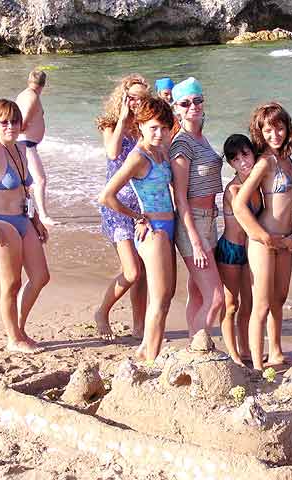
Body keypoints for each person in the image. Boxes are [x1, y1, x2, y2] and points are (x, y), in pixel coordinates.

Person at [99, 97, 176, 361]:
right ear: (140, 126)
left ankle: (146, 348)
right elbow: (106, 196)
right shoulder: (138, 157)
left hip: (169, 225)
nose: (159, 133)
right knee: (160, 299)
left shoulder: (160, 150)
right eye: (153, 127)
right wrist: (137, 217)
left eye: (164, 128)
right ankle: (149, 358)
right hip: (154, 230)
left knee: (166, 297)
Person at [0, 99, 50, 354]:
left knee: (41, 277)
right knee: (12, 284)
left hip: (24, 220)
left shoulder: (19, 148)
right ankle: (14, 339)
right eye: (4, 122)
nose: (10, 126)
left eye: (14, 121)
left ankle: (19, 328)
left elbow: (26, 190)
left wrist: (36, 220)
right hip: (2, 223)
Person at [233, 102, 292, 371]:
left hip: (286, 239)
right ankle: (258, 367)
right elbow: (239, 204)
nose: (275, 135)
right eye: (268, 130)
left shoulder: (287, 158)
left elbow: (291, 201)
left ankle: (276, 353)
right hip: (264, 241)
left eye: (280, 128)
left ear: (287, 128)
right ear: (260, 132)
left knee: (279, 299)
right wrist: (262, 236)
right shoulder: (264, 162)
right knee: (261, 305)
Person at [95, 74, 149, 341]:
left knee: (143, 272)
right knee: (132, 271)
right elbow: (113, 153)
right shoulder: (110, 125)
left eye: (142, 98)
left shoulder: (145, 126)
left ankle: (139, 326)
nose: (137, 102)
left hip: (142, 208)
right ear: (123, 98)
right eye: (132, 98)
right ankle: (102, 312)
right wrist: (124, 119)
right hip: (117, 208)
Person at [170, 77, 224, 337]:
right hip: (193, 224)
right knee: (216, 298)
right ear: (176, 109)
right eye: (185, 103)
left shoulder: (200, 137)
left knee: (198, 292)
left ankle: (194, 340)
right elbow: (180, 198)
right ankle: (198, 347)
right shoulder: (182, 144)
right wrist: (196, 241)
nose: (193, 106)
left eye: (198, 100)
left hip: (209, 220)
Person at [216, 134, 262, 366]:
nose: (242, 162)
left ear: (253, 153)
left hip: (250, 251)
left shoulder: (258, 186)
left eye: (246, 154)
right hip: (231, 251)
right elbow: (247, 223)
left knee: (249, 304)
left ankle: (245, 350)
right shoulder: (233, 190)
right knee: (231, 305)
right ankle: (233, 354)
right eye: (235, 159)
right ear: (230, 163)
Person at [16, 70, 58, 226]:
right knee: (40, 180)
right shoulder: (32, 97)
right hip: (26, 143)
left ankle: (26, 210)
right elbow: (23, 122)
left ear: (29, 81)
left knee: (28, 181)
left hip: (25, 142)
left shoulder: (23, 94)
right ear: (44, 84)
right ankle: (43, 216)